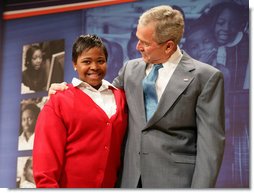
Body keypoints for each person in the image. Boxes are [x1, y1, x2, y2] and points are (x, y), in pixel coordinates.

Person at [49, 5, 225, 188]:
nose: (137, 46)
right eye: (138, 39)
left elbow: (211, 147)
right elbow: (100, 96)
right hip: (129, 180)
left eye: (145, 43)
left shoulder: (205, 77)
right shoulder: (130, 69)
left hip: (176, 182)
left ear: (168, 46)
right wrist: (66, 89)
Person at [33, 34, 127, 188]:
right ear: (74, 64)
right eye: (86, 61)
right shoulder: (59, 100)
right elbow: (45, 160)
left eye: (100, 61)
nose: (94, 67)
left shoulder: (120, 97)